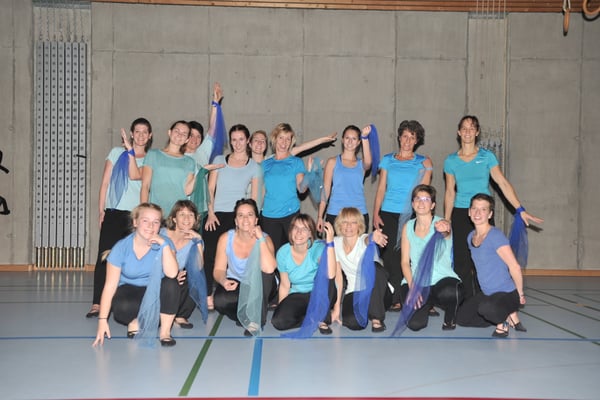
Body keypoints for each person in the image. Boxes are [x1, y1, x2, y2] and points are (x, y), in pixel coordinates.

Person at [443, 115, 543, 299]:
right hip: (461, 212)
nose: (467, 132)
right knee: (462, 262)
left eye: (472, 128)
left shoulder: (487, 156)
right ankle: (467, 303)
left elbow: (502, 183)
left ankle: (487, 299)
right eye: (464, 128)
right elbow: (450, 192)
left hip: (483, 214)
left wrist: (520, 209)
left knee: (486, 259)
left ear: (477, 132)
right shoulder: (451, 161)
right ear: (458, 132)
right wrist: (447, 220)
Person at [86, 118, 153, 318]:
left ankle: (131, 302)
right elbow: (105, 183)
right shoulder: (116, 153)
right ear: (131, 134)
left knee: (134, 259)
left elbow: (138, 177)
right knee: (105, 257)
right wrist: (101, 211)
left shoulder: (151, 159)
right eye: (137, 131)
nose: (140, 135)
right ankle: (98, 303)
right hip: (114, 213)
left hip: (136, 216)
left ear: (150, 136)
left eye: (145, 132)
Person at [92, 203, 180, 347]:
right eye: (145, 220)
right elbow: (109, 286)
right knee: (122, 307)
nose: (150, 226)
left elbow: (172, 273)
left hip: (156, 292)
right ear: (135, 222)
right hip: (130, 292)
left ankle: (165, 332)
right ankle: (137, 321)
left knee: (171, 284)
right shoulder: (121, 248)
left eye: (156, 222)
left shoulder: (166, 243)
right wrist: (102, 320)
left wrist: (164, 246)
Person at [373, 120, 433, 311]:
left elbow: (423, 192)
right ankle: (393, 297)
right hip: (388, 212)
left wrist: (421, 218)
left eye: (412, 137)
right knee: (390, 256)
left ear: (417, 141)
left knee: (408, 255)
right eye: (405, 136)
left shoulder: (423, 162)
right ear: (399, 137)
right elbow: (381, 188)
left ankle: (413, 295)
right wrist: (375, 213)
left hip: (411, 215)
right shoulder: (387, 160)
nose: (407, 141)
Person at [203, 124, 261, 311]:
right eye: (234, 140)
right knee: (209, 253)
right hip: (217, 214)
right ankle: (208, 294)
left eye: (241, 139)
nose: (237, 143)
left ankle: (242, 292)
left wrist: (251, 222)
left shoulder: (254, 167)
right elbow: (210, 188)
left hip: (239, 217)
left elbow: (254, 198)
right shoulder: (219, 160)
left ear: (248, 141)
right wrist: (210, 213)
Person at [456, 194, 527, 337]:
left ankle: (503, 321)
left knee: (487, 309)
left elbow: (514, 266)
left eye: (483, 209)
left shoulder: (495, 236)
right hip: (487, 293)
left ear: (490, 214)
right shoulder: (470, 237)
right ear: (469, 212)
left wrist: (520, 294)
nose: (477, 213)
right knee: (462, 318)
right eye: (474, 208)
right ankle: (507, 313)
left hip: (507, 292)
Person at [399, 184, 463, 331]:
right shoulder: (407, 226)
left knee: (452, 292)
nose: (421, 202)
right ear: (412, 203)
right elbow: (404, 262)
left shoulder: (441, 223)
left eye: (426, 199)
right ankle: (426, 304)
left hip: (440, 279)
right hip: (417, 281)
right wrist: (413, 287)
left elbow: (446, 232)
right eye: (417, 199)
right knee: (415, 325)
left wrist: (445, 229)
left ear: (433, 205)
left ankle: (450, 319)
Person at [212, 199, 277, 335]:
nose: (245, 219)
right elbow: (218, 270)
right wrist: (223, 281)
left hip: (262, 285)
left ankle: (256, 320)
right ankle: (246, 315)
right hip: (239, 284)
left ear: (256, 220)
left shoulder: (265, 239)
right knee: (219, 300)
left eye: (250, 215)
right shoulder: (225, 238)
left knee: (264, 273)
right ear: (236, 221)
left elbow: (270, 269)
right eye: (241, 215)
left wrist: (260, 239)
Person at [271, 214, 337, 335]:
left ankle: (321, 315)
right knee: (278, 322)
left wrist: (330, 243)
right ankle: (313, 318)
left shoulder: (317, 248)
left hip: (319, 293)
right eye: (296, 228)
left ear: (310, 234)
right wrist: (282, 307)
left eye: (304, 229)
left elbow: (331, 274)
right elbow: (285, 285)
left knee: (327, 280)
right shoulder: (283, 253)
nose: (299, 232)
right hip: (298, 295)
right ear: (291, 231)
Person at [332, 207, 390, 332]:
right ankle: (367, 310)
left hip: (377, 292)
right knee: (353, 323)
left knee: (375, 267)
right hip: (354, 291)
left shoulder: (363, 239)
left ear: (359, 225)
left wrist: (373, 237)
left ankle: (376, 319)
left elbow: (368, 239)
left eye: (353, 222)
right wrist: (337, 308)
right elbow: (338, 278)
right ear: (339, 225)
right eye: (345, 222)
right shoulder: (336, 243)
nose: (349, 226)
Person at [261, 123, 308, 251]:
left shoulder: (296, 162)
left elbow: (302, 189)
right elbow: (261, 192)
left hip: (290, 214)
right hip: (269, 215)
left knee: (296, 251)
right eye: (281, 138)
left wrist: (309, 176)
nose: (284, 142)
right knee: (272, 253)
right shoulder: (265, 164)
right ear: (275, 139)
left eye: (288, 139)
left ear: (291, 141)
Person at [317, 125, 372, 232]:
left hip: (358, 214)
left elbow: (368, 163)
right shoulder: (332, 162)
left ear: (359, 142)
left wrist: (365, 138)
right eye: (347, 138)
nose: (350, 141)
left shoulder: (361, 164)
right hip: (335, 213)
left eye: (354, 138)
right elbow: (325, 190)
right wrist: (320, 216)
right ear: (342, 140)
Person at [162, 200, 205, 329]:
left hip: (177, 278)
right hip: (159, 277)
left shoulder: (194, 240)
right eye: (182, 214)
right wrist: (171, 274)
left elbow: (199, 267)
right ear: (174, 219)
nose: (187, 218)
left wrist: (198, 242)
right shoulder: (162, 234)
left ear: (195, 219)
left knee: (194, 277)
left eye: (191, 215)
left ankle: (181, 315)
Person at [186, 83, 224, 228]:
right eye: (191, 135)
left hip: (200, 209)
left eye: (198, 136)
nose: (195, 139)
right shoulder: (176, 155)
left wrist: (215, 104)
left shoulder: (202, 152)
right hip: (180, 208)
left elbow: (212, 130)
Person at [140, 120, 196, 217]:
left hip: (178, 214)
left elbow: (187, 191)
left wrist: (202, 173)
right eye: (177, 131)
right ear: (169, 132)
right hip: (156, 212)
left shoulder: (189, 161)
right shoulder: (153, 154)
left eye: (184, 134)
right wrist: (143, 211)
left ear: (187, 139)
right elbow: (145, 185)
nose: (179, 135)